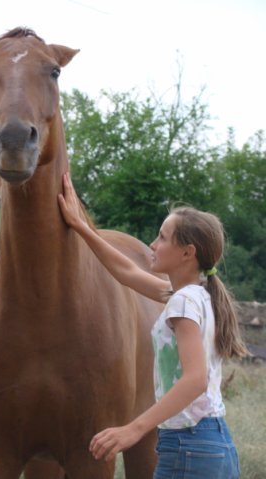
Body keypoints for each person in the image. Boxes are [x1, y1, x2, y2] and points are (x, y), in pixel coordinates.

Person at [57, 172, 247, 479]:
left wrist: (133, 429)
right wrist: (81, 226)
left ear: (188, 253)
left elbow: (195, 379)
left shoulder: (184, 303)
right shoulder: (194, 295)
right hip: (208, 444)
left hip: (190, 446)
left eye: (162, 237)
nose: (152, 244)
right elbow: (126, 271)